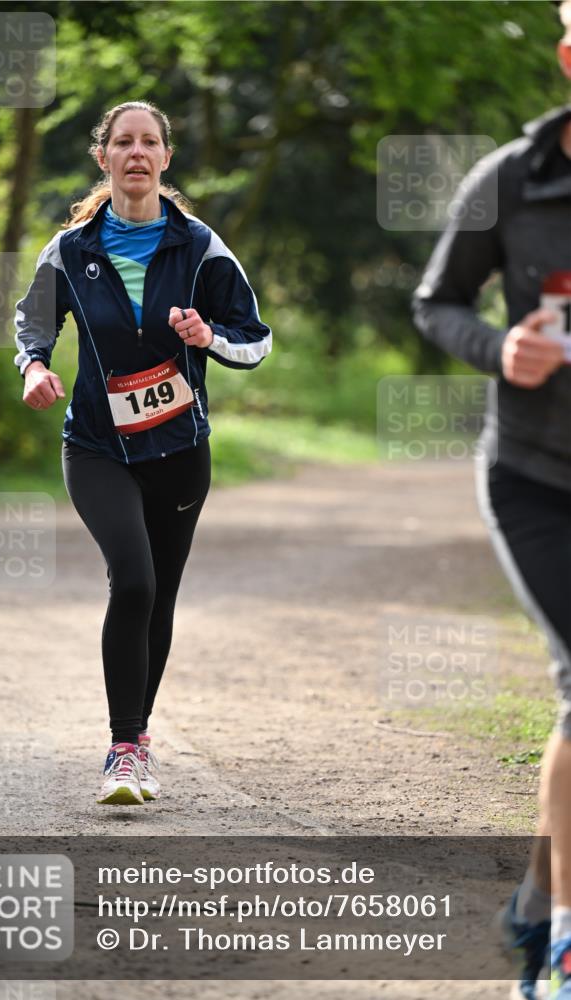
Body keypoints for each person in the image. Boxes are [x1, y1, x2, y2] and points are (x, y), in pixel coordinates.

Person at [13, 100, 271, 807]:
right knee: (131, 579)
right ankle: (122, 750)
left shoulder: (200, 246)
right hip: (96, 445)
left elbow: (254, 335)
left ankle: (140, 737)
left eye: (148, 142)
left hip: (179, 450)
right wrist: (34, 367)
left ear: (164, 157)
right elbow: (32, 325)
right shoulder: (69, 250)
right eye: (122, 142)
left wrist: (206, 338)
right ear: (103, 158)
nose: (135, 153)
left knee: (158, 596)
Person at [413, 4, 571, 997]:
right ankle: (557, 944)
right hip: (533, 479)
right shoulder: (511, 179)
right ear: (567, 58)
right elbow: (435, 301)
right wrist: (497, 350)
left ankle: (530, 910)